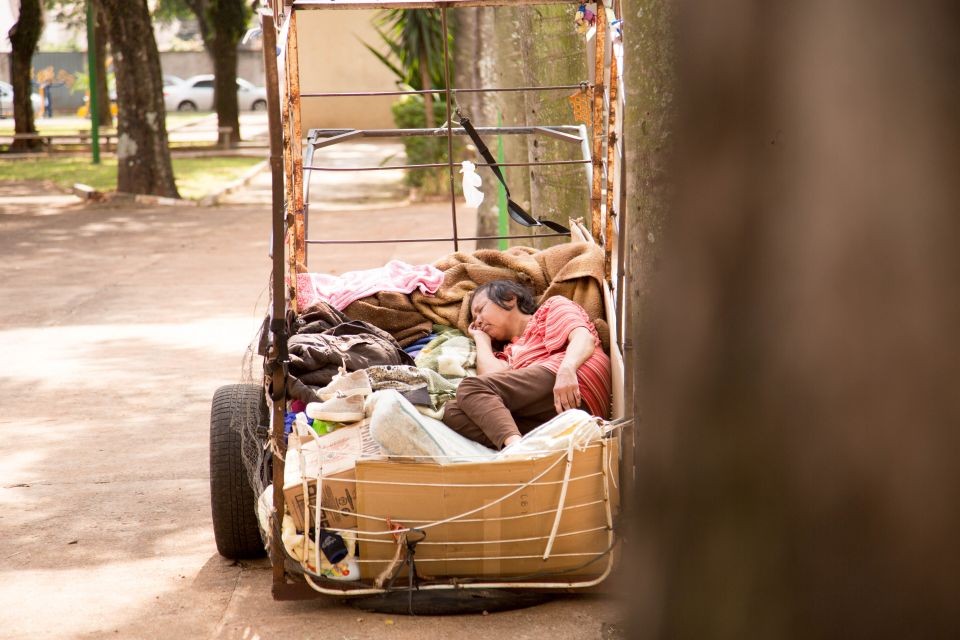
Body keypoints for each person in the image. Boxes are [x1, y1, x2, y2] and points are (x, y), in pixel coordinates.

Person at [442, 280, 611, 449]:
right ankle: (523, 445)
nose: (477, 321)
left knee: (468, 387)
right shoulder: (507, 353)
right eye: (474, 318)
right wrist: (481, 339)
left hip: (577, 379)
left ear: (510, 298)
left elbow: (584, 337)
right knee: (451, 412)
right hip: (555, 413)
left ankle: (516, 449)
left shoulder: (551, 307)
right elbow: (488, 384)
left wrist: (567, 369)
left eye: (480, 310)